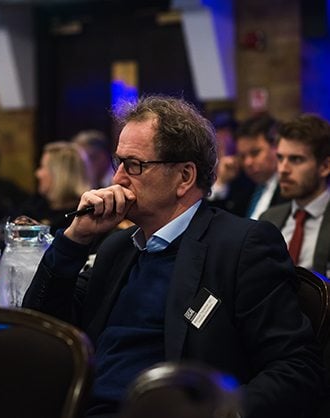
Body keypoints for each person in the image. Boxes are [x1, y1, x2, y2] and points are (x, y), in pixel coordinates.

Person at [22, 95, 324, 418]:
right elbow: (41, 331)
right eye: (118, 162)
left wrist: (218, 412)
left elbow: (295, 369)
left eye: (134, 165)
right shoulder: (117, 248)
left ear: (184, 177)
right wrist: (74, 240)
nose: (117, 178)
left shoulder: (241, 246)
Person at [259, 114, 330, 275]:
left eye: (296, 159)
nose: (282, 169)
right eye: (280, 158)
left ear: (325, 167)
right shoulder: (268, 218)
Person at [20, 141, 94, 234]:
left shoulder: (85, 214)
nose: (38, 174)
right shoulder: (34, 206)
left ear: (60, 174)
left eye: (42, 167)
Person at [228, 113, 286, 219]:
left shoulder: (289, 187)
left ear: (276, 147)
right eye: (242, 156)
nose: (248, 162)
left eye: (255, 153)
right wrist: (221, 183)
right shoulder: (242, 186)